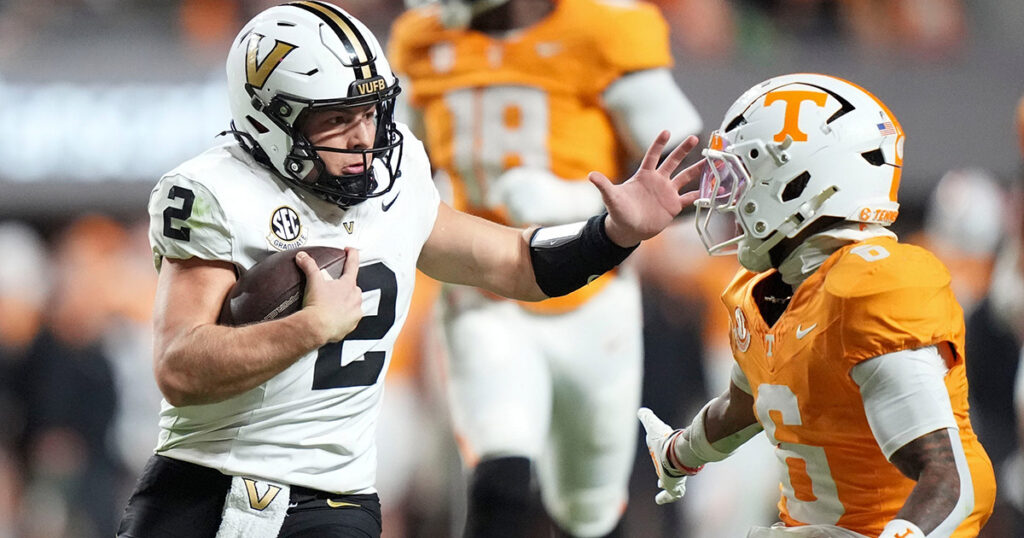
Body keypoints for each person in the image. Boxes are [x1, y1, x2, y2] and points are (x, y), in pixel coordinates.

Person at [115, 2, 702, 537]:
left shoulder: (396, 183)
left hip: (334, 502)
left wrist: (613, 234)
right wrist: (309, 327)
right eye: (339, 117)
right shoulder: (214, 190)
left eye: (372, 111)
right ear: (272, 117)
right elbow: (180, 366)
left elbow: (517, 262)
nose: (366, 135)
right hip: (204, 485)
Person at [387, 1, 702, 536]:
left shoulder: (603, 28)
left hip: (592, 299)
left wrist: (570, 202)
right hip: (485, 293)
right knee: (498, 481)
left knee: (589, 508)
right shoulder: (422, 41)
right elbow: (392, 172)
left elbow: (685, 179)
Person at [638, 73, 997, 538]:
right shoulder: (761, 292)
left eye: (742, 177)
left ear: (798, 183)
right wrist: (677, 453)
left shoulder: (871, 286)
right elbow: (744, 406)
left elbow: (956, 480)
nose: (728, 198)